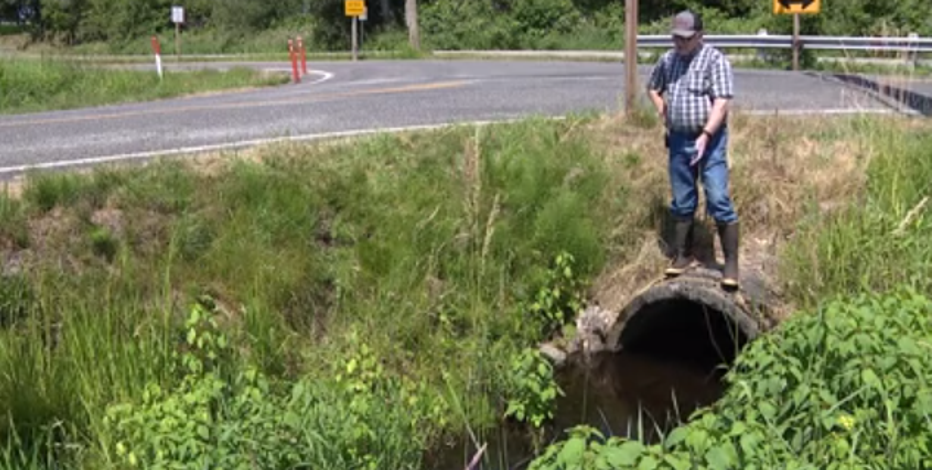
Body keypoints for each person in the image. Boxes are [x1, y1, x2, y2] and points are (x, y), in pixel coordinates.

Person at [645, 10, 740, 289]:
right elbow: (653, 87)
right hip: (678, 139)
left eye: (686, 39)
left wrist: (706, 134)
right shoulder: (668, 59)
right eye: (676, 38)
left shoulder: (715, 61)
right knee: (682, 198)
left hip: (709, 141)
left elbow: (722, 102)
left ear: (700, 36)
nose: (680, 44)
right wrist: (664, 111)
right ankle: (682, 255)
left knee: (717, 195)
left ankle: (731, 264)